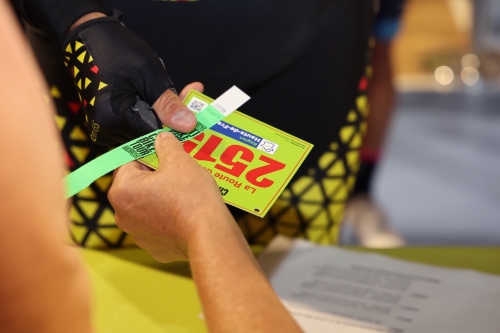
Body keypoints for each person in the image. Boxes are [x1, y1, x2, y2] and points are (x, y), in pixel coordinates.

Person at [0, 2, 302, 331]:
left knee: (305, 283)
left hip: (301, 87)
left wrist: (202, 226)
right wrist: (79, 18)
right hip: (92, 103)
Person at [11, 0, 374, 250]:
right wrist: (78, 20)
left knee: (288, 291)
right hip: (90, 74)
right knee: (99, 298)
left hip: (307, 71)